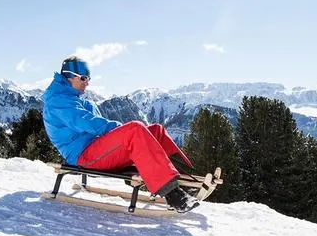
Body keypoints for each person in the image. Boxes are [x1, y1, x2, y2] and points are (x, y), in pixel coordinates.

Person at [42, 56, 199, 213]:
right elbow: (86, 121)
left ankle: (185, 181)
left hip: (98, 150)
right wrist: (120, 128)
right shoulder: (59, 101)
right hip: (84, 157)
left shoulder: (73, 99)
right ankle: (173, 195)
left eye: (88, 78)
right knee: (134, 129)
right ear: (70, 76)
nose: (87, 82)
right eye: (83, 78)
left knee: (156, 130)